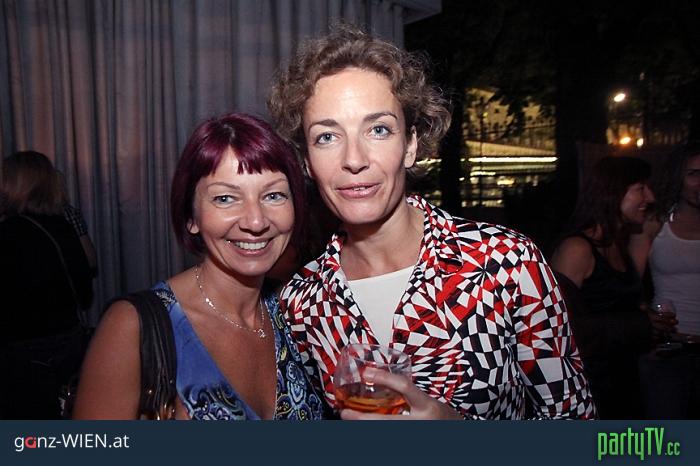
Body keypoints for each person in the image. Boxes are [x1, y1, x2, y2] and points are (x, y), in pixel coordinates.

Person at [269, 25, 595, 420]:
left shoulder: (505, 264)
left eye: (378, 130)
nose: (354, 159)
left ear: (409, 145)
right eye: (326, 137)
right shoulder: (301, 303)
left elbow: (575, 420)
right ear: (306, 161)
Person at [73, 113, 325, 420]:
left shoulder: (297, 314)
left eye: (273, 195)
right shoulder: (132, 327)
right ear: (191, 218)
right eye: (225, 198)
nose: (256, 221)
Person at [551, 156, 655, 419]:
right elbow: (558, 329)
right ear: (613, 192)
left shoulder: (617, 245)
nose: (650, 197)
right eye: (640, 188)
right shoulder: (577, 249)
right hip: (592, 388)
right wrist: (641, 323)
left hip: (623, 379)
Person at [0, 151, 93, 419]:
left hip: (24, 350)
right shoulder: (62, 225)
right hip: (67, 340)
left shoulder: (9, 233)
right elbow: (85, 287)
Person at [630, 143, 700, 341]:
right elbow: (629, 286)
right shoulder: (653, 223)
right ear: (677, 178)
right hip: (672, 342)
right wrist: (646, 319)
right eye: (693, 174)